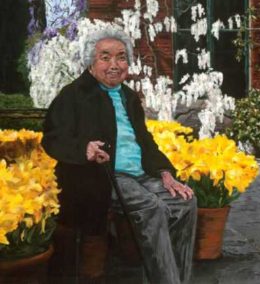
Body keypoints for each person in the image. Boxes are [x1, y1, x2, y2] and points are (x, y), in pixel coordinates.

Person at [42, 26, 197, 284]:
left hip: (141, 175)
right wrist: (85, 149)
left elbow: (145, 140)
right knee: (152, 208)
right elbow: (52, 138)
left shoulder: (128, 96)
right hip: (103, 176)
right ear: (91, 62)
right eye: (105, 57)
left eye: (121, 57)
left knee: (185, 202)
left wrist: (165, 173)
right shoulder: (74, 94)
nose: (114, 65)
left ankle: (179, 278)